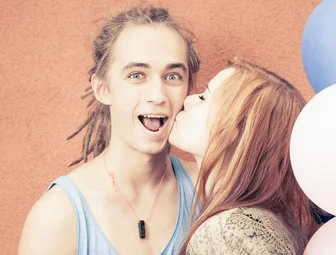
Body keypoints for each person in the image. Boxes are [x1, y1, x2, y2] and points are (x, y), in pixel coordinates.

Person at [19, 5, 201, 255]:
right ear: (102, 88)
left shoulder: (209, 190)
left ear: (188, 88)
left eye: (172, 77)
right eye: (137, 75)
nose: (157, 96)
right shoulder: (57, 217)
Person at [168, 57, 318, 254]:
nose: (188, 100)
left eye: (204, 97)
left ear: (234, 130)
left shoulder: (225, 233)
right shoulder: (274, 218)